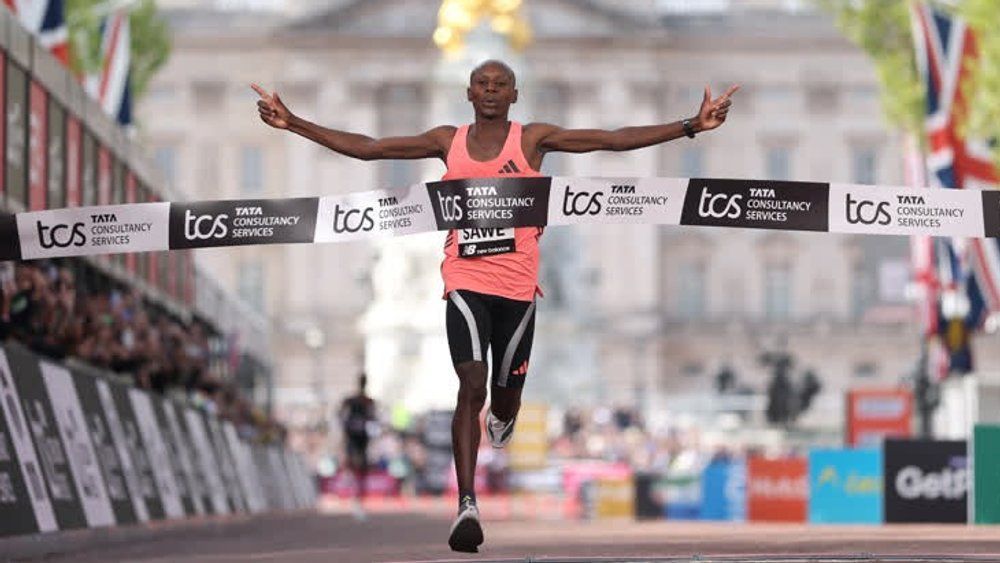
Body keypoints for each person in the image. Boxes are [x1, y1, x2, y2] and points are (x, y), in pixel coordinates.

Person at [252, 60, 737, 552]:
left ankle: (503, 416)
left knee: (504, 398)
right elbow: (371, 149)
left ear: (514, 94)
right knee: (470, 383)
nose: (489, 91)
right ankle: (466, 502)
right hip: (463, 281)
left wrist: (690, 126)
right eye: (482, 84)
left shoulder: (532, 141)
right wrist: (295, 123)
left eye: (499, 84)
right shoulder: (448, 141)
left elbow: (611, 139)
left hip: (519, 291)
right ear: (468, 93)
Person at [338, 373, 377, 519]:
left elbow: (373, 418)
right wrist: (346, 427)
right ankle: (355, 499)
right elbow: (341, 413)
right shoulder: (356, 400)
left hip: (361, 439)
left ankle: (357, 500)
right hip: (354, 438)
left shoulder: (367, 401)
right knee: (355, 466)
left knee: (360, 468)